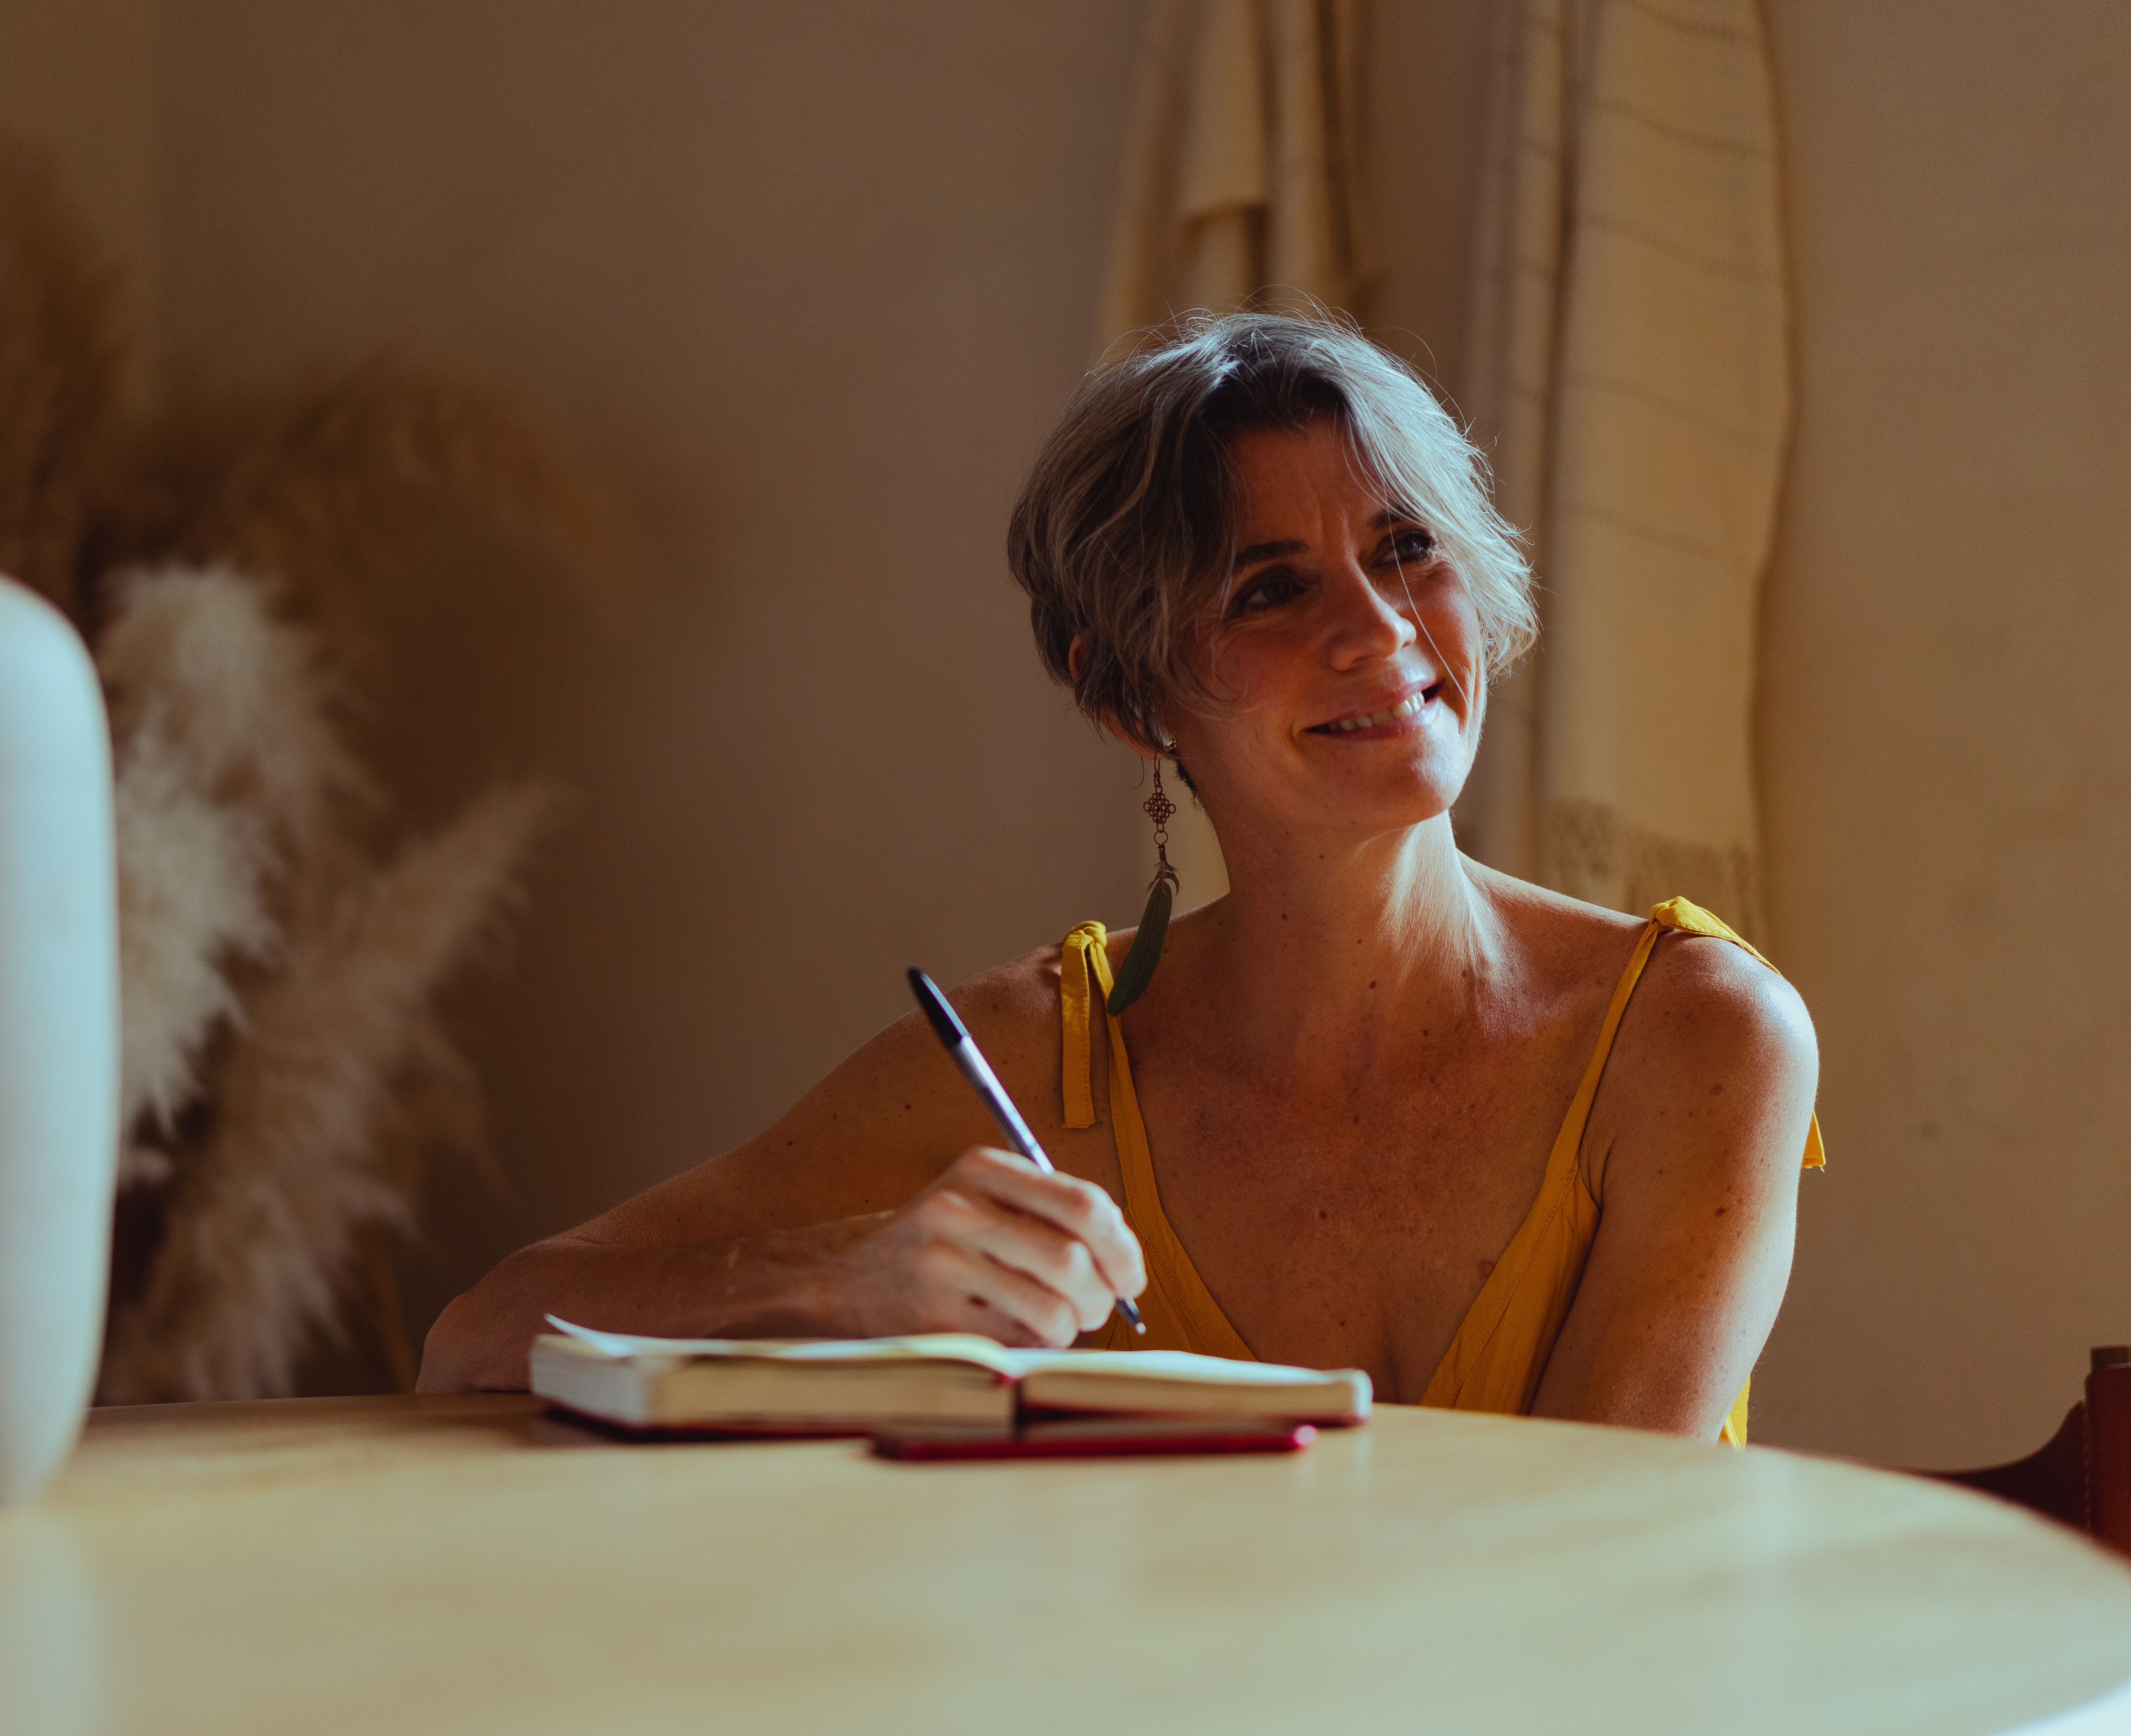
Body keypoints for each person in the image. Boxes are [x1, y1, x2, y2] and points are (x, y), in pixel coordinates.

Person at [419, 313, 1819, 1442]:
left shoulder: (1700, 1037)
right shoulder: (1040, 1059)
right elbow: (479, 1335)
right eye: (1272, 587)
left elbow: (1599, 1576)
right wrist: (846, 1280)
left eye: (1406, 550)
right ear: (1129, 694)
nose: (1381, 628)